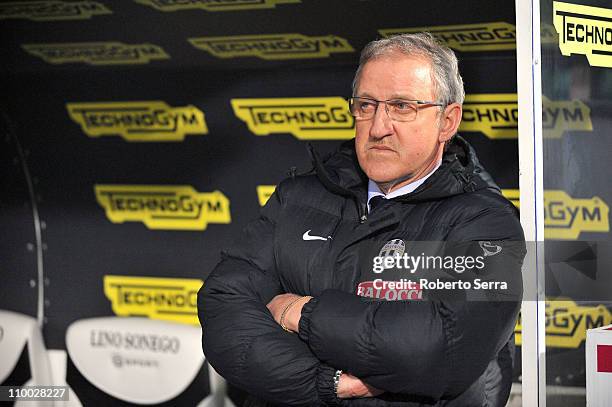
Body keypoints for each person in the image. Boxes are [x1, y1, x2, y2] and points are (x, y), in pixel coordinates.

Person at [198, 33, 525, 406]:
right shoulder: (297, 196)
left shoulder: (490, 223)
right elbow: (224, 309)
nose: (378, 126)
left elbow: (437, 352)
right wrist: (327, 383)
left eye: (402, 106)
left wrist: (299, 312)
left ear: (447, 121)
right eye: (366, 105)